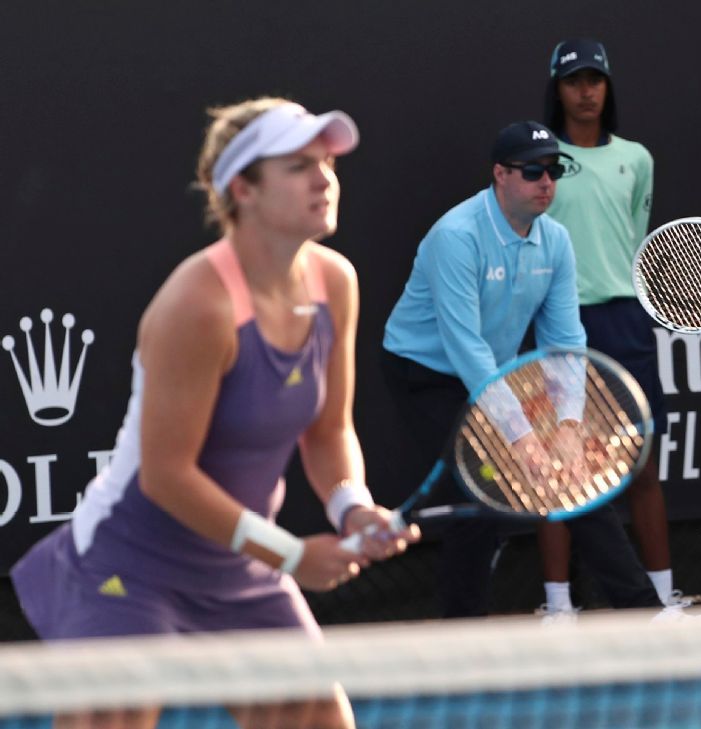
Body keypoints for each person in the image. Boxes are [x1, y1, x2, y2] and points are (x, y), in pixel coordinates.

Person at [10, 97, 418, 729]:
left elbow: (329, 431)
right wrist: (288, 554)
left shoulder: (335, 283)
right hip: (129, 563)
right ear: (241, 189)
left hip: (236, 565)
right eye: (298, 165)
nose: (324, 179)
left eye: (329, 164)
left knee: (318, 717)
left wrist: (350, 505)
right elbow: (166, 477)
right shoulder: (196, 305)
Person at [381, 120, 663, 620]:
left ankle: (643, 616)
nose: (546, 182)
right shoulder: (457, 238)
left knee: (575, 480)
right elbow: (466, 349)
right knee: (483, 495)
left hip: (493, 370)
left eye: (554, 170)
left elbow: (565, 342)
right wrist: (521, 438)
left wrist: (570, 426)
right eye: (533, 171)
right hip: (425, 372)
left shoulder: (555, 241)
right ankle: (461, 639)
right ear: (500, 175)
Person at [534, 38, 683, 619]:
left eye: (595, 79)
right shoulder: (538, 161)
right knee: (557, 467)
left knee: (642, 466)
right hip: (559, 320)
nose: (587, 91)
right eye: (574, 81)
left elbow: (633, 237)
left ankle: (666, 602)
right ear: (558, 88)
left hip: (626, 320)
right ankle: (558, 609)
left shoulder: (637, 159)